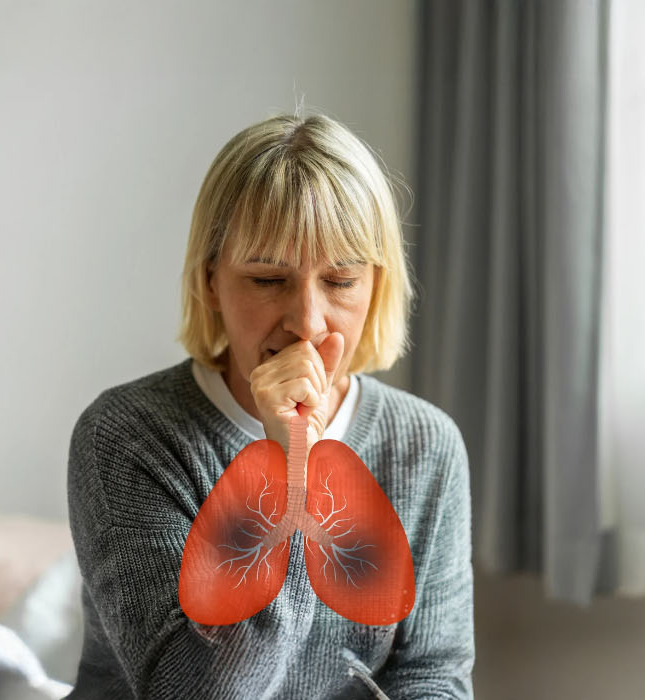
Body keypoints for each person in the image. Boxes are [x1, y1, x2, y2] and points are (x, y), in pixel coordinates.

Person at [65, 113, 475, 699]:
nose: (307, 321)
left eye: (339, 281)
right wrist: (288, 471)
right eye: (266, 279)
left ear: (376, 285)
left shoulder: (426, 445)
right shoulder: (128, 436)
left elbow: (432, 676)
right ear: (211, 282)